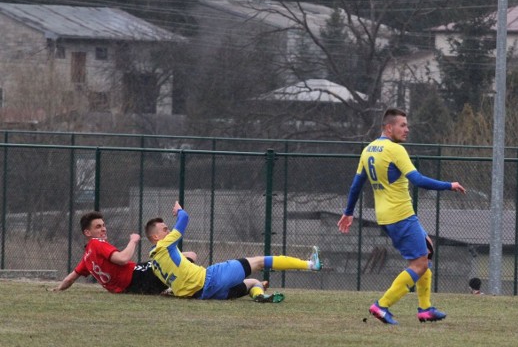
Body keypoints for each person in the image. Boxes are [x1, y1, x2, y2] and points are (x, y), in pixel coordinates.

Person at [338, 108, 465, 325]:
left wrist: (348, 212)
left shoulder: (368, 150)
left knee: (427, 250)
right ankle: (382, 305)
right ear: (389, 127)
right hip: (401, 214)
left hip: (386, 216)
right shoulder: (395, 150)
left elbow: (356, 185)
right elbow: (418, 179)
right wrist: (448, 185)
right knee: (419, 264)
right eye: (402, 125)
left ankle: (425, 309)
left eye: (407, 125)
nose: (407, 129)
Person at [145, 201, 322, 302]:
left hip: (202, 295)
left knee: (253, 282)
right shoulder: (165, 244)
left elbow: (172, 282)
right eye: (164, 229)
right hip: (209, 279)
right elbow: (185, 218)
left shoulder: (154, 262)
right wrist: (179, 210)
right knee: (260, 261)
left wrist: (171, 291)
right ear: (155, 237)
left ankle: (260, 297)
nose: (168, 231)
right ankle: (310, 264)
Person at [54, 211, 197, 295]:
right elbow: (122, 259)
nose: (103, 229)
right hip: (138, 279)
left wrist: (57, 290)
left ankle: (175, 287)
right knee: (190, 255)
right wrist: (133, 241)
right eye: (98, 227)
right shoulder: (96, 243)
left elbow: (69, 279)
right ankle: (184, 287)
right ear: (87, 232)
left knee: (186, 256)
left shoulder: (87, 258)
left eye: (103, 225)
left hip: (133, 282)